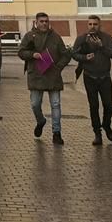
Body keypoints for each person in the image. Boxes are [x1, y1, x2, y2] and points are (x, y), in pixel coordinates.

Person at [17, 11, 70, 144]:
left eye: (46, 21)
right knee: (35, 104)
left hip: (53, 75)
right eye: (42, 21)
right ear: (36, 22)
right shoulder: (30, 36)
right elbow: (21, 52)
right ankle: (40, 121)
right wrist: (32, 54)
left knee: (56, 105)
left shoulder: (56, 37)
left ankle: (56, 133)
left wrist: (59, 67)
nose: (44, 24)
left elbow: (65, 54)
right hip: (36, 75)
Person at [71, 15, 112, 145]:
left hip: (105, 76)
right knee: (94, 106)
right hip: (90, 76)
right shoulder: (82, 38)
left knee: (109, 105)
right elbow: (74, 54)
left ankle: (107, 125)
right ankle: (97, 133)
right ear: (87, 25)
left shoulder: (107, 38)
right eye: (90, 24)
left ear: (100, 25)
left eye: (95, 24)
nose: (93, 27)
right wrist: (85, 57)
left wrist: (102, 46)